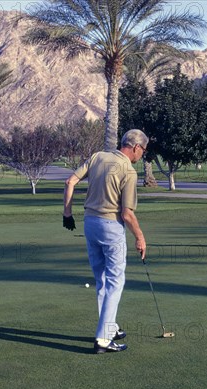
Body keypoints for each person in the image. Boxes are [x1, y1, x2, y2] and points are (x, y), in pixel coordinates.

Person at [63, 129, 148, 353]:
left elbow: (70, 181)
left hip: (90, 224)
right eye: (143, 151)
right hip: (111, 227)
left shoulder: (97, 156)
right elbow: (127, 214)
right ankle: (103, 339)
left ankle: (110, 326)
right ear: (136, 147)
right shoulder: (128, 171)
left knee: (102, 279)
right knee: (115, 282)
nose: (142, 156)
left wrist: (67, 214)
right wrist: (140, 237)